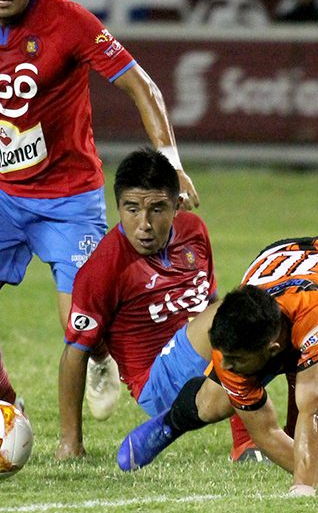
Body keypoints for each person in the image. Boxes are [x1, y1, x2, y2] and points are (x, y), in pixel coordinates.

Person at [0, 0, 199, 417]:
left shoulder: (68, 21)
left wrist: (171, 165)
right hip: (3, 194)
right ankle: (5, 405)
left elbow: (142, 86)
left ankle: (100, 358)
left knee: (83, 329)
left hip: (68, 197)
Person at [119, 232, 318, 495]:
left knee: (309, 392)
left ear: (272, 349)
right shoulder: (233, 338)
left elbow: (315, 411)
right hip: (279, 264)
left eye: (236, 360)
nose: (227, 367)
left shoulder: (317, 318)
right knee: (212, 404)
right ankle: (170, 423)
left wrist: (303, 490)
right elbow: (266, 432)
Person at [56, 148, 267, 463]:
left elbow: (209, 301)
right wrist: (70, 444)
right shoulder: (103, 268)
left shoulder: (194, 231)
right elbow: (75, 352)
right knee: (245, 312)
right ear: (118, 207)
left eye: (157, 209)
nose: (144, 224)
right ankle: (245, 442)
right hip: (157, 382)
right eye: (132, 209)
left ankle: (306, 428)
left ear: (177, 205)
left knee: (279, 311)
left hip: (203, 360)